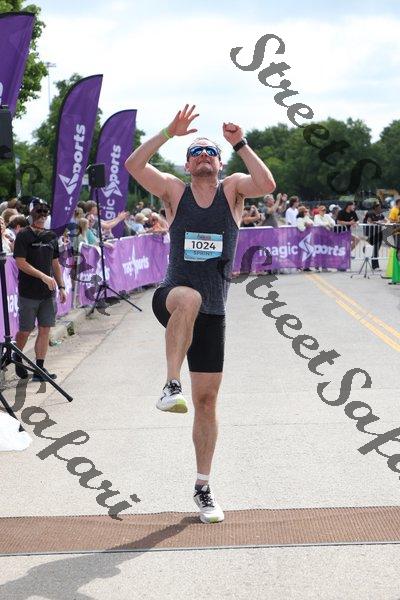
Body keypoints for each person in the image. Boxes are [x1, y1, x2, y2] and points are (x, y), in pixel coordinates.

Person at [124, 104, 276, 524]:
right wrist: (167, 133)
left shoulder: (233, 190)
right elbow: (133, 165)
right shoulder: (175, 191)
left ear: (220, 162)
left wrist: (240, 143)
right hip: (172, 296)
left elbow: (267, 183)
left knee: (207, 402)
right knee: (188, 298)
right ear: (187, 165)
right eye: (196, 152)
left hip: (214, 311)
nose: (204, 155)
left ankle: (203, 487)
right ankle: (170, 384)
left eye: (210, 151)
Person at [13, 200, 67, 382]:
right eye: (38, 212)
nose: (42, 216)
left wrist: (61, 286)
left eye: (45, 213)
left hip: (48, 293)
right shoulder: (23, 235)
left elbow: (55, 263)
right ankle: (17, 355)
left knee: (45, 329)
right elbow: (20, 263)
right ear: (31, 214)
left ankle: (39, 368)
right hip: (28, 292)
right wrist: (42, 276)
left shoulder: (51, 236)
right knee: (26, 330)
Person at [363, 202, 386, 270]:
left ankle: (365, 249)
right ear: (375, 208)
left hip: (379, 234)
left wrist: (381, 222)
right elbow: (369, 221)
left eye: (380, 207)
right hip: (372, 233)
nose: (380, 209)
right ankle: (375, 266)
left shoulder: (380, 214)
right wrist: (377, 222)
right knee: (375, 249)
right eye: (379, 207)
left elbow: (387, 221)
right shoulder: (370, 213)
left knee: (376, 250)